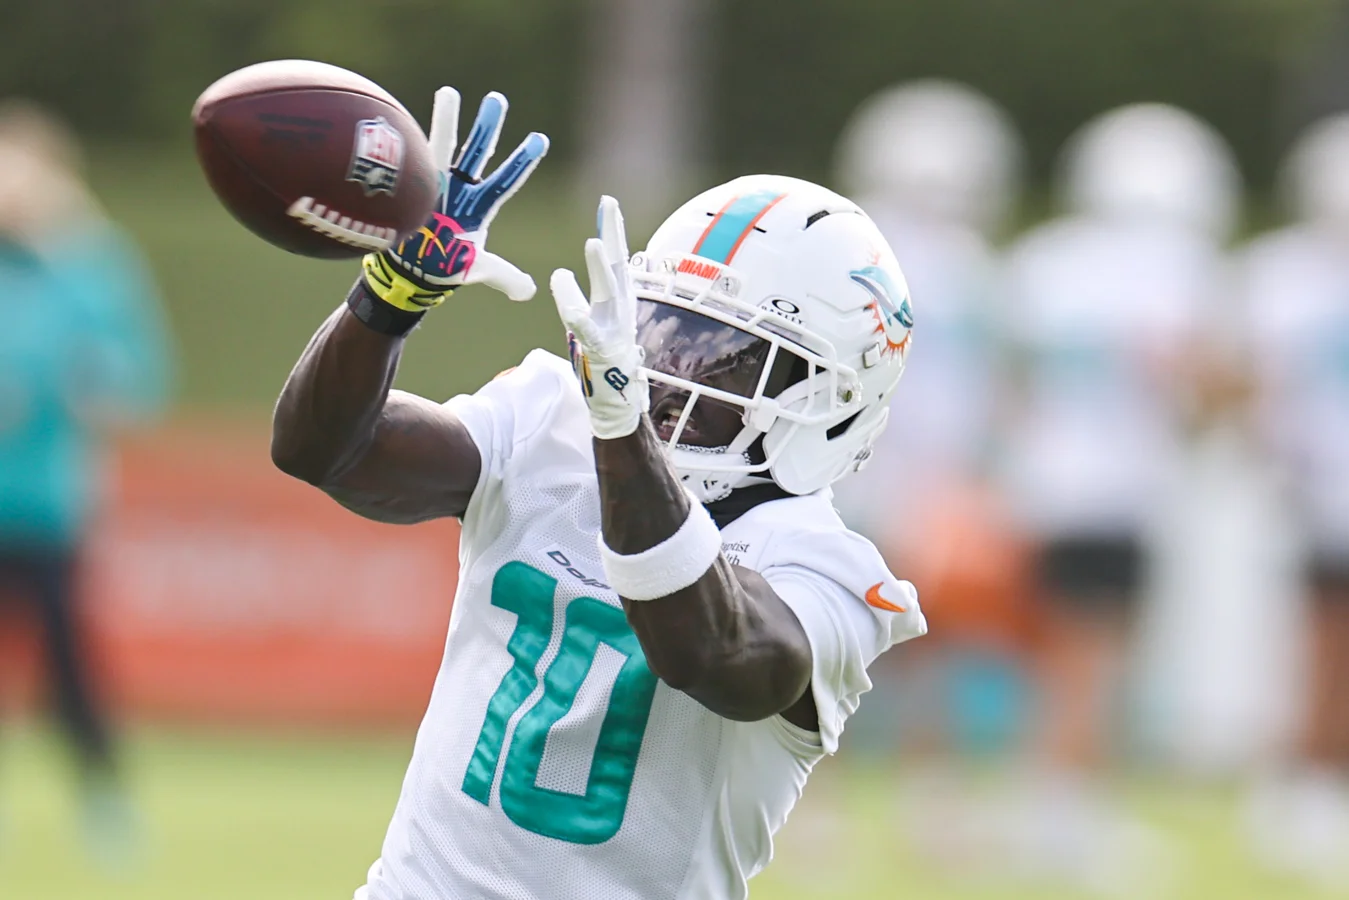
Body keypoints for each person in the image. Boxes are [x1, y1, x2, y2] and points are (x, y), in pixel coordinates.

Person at [270, 87, 926, 900]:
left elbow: (714, 655)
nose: (669, 373)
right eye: (662, 330)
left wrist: (621, 430)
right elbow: (327, 450)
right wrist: (392, 296)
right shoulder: (550, 414)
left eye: (720, 354)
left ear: (829, 395)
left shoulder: (831, 571)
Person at [996, 103, 1239, 884]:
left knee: (1062, 660)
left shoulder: (1043, 262)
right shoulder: (1177, 271)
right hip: (1115, 494)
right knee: (1094, 659)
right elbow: (1202, 396)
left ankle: (1057, 810)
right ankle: (1065, 823)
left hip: (1041, 489)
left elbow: (1010, 387)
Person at [832, 80, 1031, 756]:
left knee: (859, 623)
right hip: (901, 467)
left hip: (882, 464)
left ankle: (839, 784)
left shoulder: (862, 252)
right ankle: (924, 780)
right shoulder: (964, 264)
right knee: (917, 632)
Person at [0, 99, 172, 854]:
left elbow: (134, 386)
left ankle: (104, 800)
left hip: (46, 506)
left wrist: (80, 387)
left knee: (66, 666)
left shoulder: (90, 270)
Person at [1239, 113, 1349, 887]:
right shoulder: (1283, 276)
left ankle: (1313, 785)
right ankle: (1298, 785)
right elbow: (1259, 386)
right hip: (1315, 493)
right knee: (1318, 647)